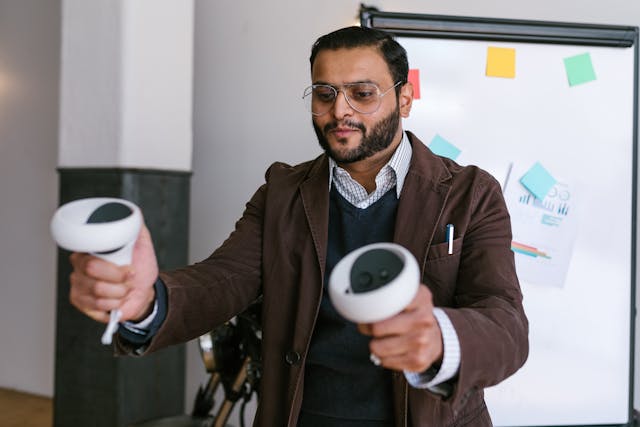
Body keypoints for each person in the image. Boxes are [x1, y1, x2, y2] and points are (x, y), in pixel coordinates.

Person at [68, 26, 528, 426]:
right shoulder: (282, 191)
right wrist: (147, 302)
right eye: (325, 94)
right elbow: (222, 279)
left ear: (404, 99)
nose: (340, 111)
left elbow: (505, 321)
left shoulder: (470, 193)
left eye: (362, 94)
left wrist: (439, 338)